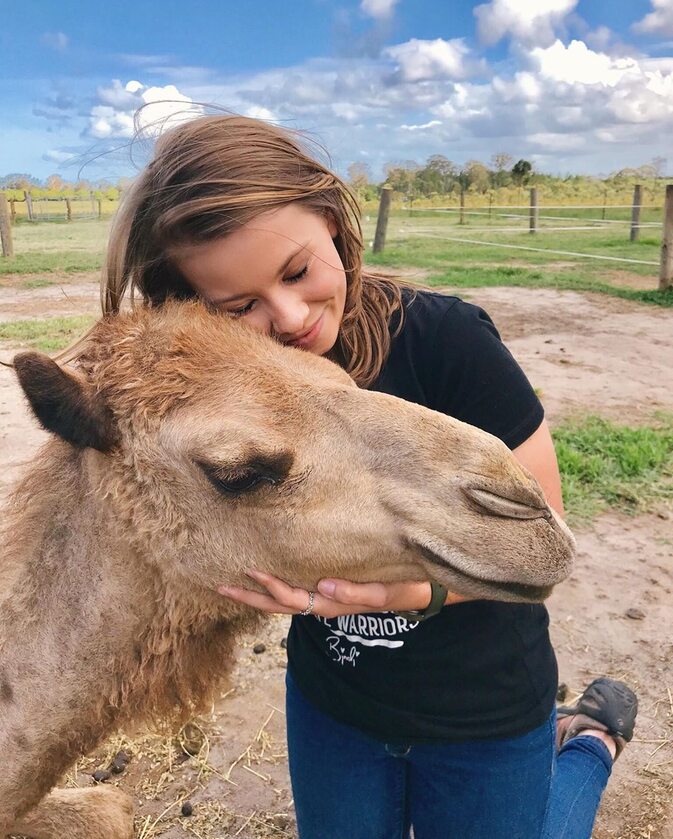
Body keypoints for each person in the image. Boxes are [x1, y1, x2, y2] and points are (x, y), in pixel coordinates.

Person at [101, 113, 638, 838]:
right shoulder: (227, 402)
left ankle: (590, 743)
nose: (289, 316)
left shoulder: (447, 341)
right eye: (239, 307)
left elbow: (543, 535)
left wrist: (403, 591)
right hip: (335, 707)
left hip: (481, 708)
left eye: (296, 272)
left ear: (331, 220)